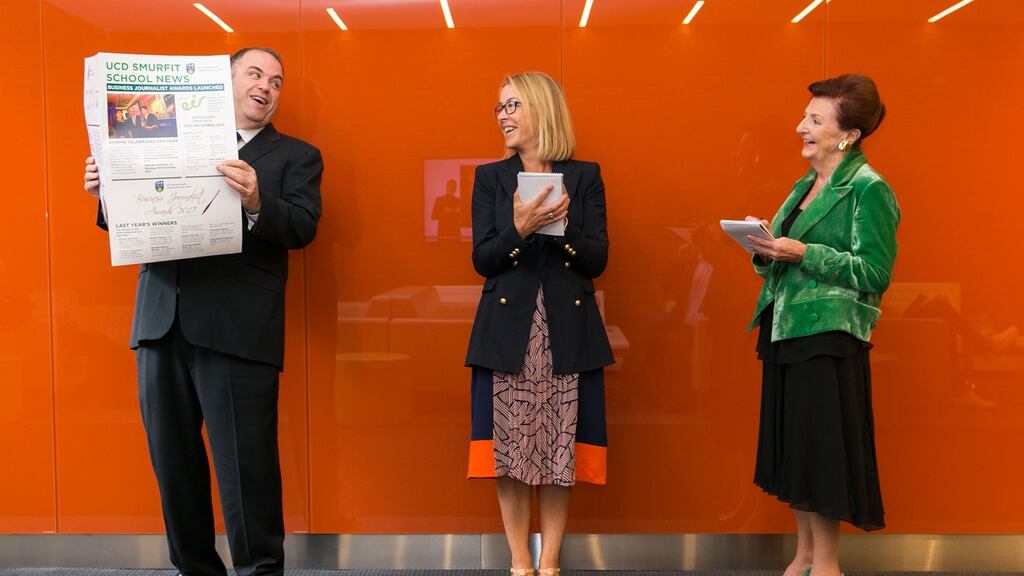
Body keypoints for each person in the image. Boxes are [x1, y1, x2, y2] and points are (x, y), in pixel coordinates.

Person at [83, 47, 323, 576]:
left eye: (277, 81)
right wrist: (108, 193)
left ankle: (261, 571)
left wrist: (259, 199)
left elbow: (303, 228)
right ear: (226, 81)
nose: (267, 86)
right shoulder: (157, 140)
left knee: (247, 470)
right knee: (174, 468)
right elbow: (128, 224)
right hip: (160, 323)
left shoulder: (296, 156)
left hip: (238, 331)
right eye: (256, 74)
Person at [745, 74, 899, 576]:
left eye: (814, 120)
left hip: (829, 338)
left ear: (848, 134)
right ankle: (805, 555)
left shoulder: (869, 189)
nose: (800, 127)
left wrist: (803, 252)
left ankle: (826, 563)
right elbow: (782, 255)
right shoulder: (804, 185)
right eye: (805, 117)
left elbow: (874, 273)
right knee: (798, 451)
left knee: (824, 453)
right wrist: (765, 249)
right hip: (786, 331)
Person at [465, 71, 613, 576]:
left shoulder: (586, 176)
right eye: (499, 107)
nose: (503, 116)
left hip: (567, 334)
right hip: (508, 334)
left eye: (512, 106)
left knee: (559, 450)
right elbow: (483, 258)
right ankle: (518, 564)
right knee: (509, 452)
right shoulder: (491, 178)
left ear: (541, 110)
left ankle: (549, 565)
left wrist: (563, 228)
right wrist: (520, 229)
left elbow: (598, 261)